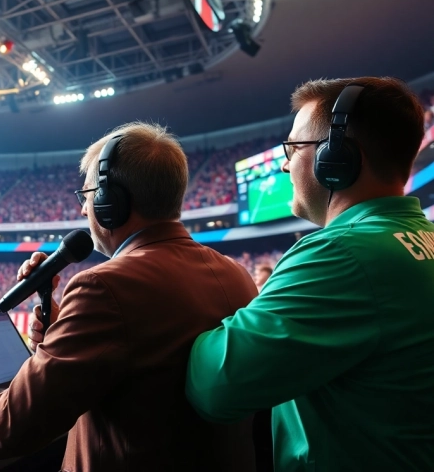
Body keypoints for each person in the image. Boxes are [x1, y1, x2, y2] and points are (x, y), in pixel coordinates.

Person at [0, 122, 259, 470]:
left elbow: (20, 420)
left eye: (87, 195)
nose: (83, 209)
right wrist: (61, 327)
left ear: (109, 201)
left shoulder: (105, 286)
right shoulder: (235, 273)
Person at [186, 77, 434, 471]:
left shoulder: (341, 252)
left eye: (293, 148)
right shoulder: (420, 237)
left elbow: (213, 386)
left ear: (337, 158)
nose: (284, 163)